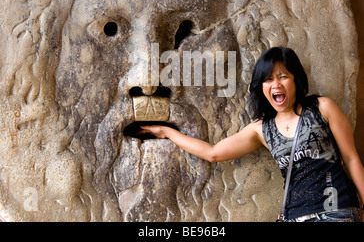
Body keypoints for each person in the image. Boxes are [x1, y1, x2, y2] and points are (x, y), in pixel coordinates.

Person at [139, 47, 364, 222]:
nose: (276, 84)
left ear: (295, 79)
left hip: (337, 211)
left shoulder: (322, 108)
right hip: (296, 215)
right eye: (268, 79)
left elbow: (351, 158)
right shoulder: (261, 129)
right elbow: (213, 153)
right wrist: (167, 131)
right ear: (261, 87)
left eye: (283, 76)